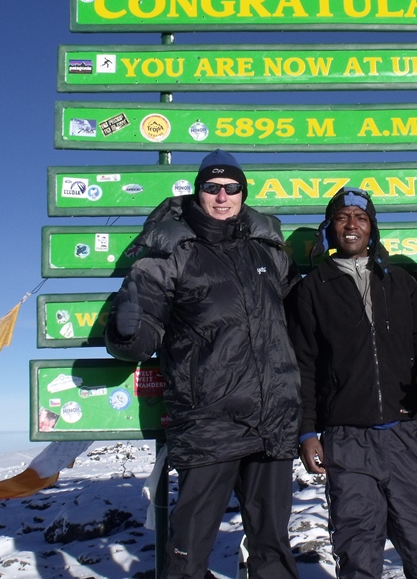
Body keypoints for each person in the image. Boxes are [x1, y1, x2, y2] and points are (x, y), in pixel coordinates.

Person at [105, 149, 301, 579]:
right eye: (212, 188)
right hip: (209, 419)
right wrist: (127, 328)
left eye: (232, 188)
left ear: (243, 194)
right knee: (188, 550)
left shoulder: (268, 253)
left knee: (272, 545)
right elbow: (139, 340)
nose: (222, 196)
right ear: (198, 193)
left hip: (272, 419)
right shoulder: (172, 251)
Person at [287, 187, 417, 579]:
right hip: (347, 440)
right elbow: (305, 366)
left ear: (372, 228)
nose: (351, 225)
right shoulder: (312, 289)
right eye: (342, 218)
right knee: (358, 551)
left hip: (405, 437)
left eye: (360, 218)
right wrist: (307, 433)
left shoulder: (401, 283)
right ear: (329, 228)